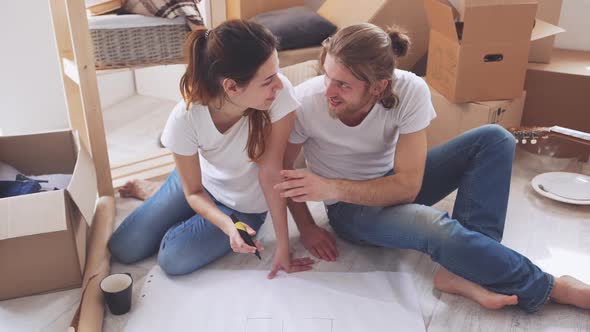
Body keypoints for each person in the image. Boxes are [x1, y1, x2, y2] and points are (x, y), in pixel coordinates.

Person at [274, 23, 590, 313]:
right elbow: (283, 169)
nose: (328, 90)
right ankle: (551, 287)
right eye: (327, 75)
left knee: (495, 138)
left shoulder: (410, 90)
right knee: (435, 226)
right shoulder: (307, 102)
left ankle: (459, 271)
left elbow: (407, 186)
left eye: (343, 84)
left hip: (389, 186)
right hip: (351, 211)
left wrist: (329, 186)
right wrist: (308, 226)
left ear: (378, 87)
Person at [108, 20, 315, 279]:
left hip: (243, 207)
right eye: (268, 80)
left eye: (278, 72)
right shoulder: (186, 118)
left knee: (172, 259)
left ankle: (165, 200)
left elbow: (273, 174)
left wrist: (281, 246)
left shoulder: (279, 96)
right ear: (231, 86)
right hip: (201, 185)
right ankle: (163, 194)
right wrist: (221, 223)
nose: (280, 85)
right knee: (123, 248)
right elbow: (194, 191)